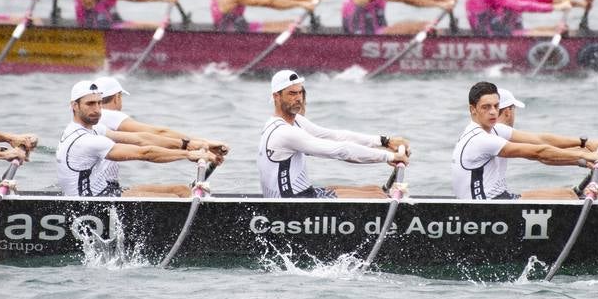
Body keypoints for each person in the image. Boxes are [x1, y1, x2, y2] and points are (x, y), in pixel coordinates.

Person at [56, 80, 222, 198]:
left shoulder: (96, 129)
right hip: (92, 204)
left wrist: (190, 145)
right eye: (90, 104)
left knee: (182, 191)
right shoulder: (85, 140)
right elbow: (144, 153)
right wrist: (187, 155)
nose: (98, 110)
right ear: (74, 106)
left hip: (108, 191)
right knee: (179, 198)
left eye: (99, 103)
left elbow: (141, 139)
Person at [260, 70, 408, 198]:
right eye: (292, 93)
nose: (298, 98)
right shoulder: (283, 132)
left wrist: (384, 141)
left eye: (300, 92)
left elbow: (336, 136)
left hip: (306, 194)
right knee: (378, 197)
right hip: (290, 205)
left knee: (375, 190)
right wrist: (390, 156)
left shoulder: (297, 121)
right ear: (276, 97)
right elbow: (342, 151)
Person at [452, 81, 598, 200]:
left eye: (496, 106)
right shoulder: (480, 139)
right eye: (486, 107)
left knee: (569, 194)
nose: (493, 112)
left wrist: (584, 145)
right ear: (473, 109)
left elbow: (540, 140)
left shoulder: (495, 129)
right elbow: (538, 153)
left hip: (500, 200)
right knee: (569, 198)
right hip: (486, 209)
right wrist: (587, 156)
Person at [90, 75, 228, 155]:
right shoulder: (109, 116)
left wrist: (193, 147)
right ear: (117, 97)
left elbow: (152, 143)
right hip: (103, 191)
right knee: (179, 192)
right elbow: (158, 133)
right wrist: (204, 143)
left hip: (100, 187)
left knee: (178, 191)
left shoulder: (92, 120)